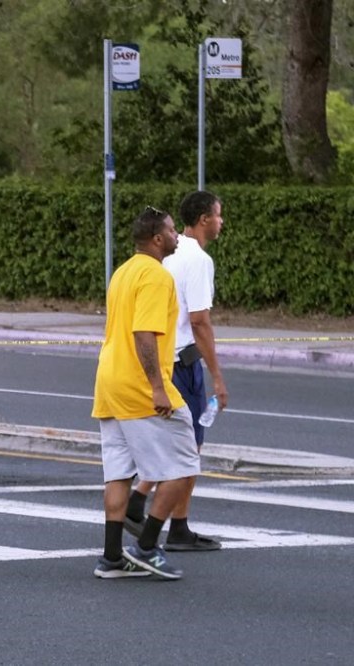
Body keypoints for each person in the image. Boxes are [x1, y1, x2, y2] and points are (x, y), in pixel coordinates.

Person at [91, 207, 200, 581]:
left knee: (118, 474)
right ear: (157, 239)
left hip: (109, 382)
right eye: (172, 230)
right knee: (185, 465)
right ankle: (147, 548)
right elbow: (144, 333)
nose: (177, 236)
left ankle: (111, 558)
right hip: (140, 386)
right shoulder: (156, 276)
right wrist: (158, 387)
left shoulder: (124, 271)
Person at [124, 192, 227, 551]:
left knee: (171, 443)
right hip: (184, 361)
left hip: (165, 358)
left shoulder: (167, 252)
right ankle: (173, 527)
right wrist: (217, 377)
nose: (221, 222)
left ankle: (139, 501)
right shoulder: (197, 259)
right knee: (188, 450)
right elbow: (200, 321)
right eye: (217, 215)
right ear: (202, 220)